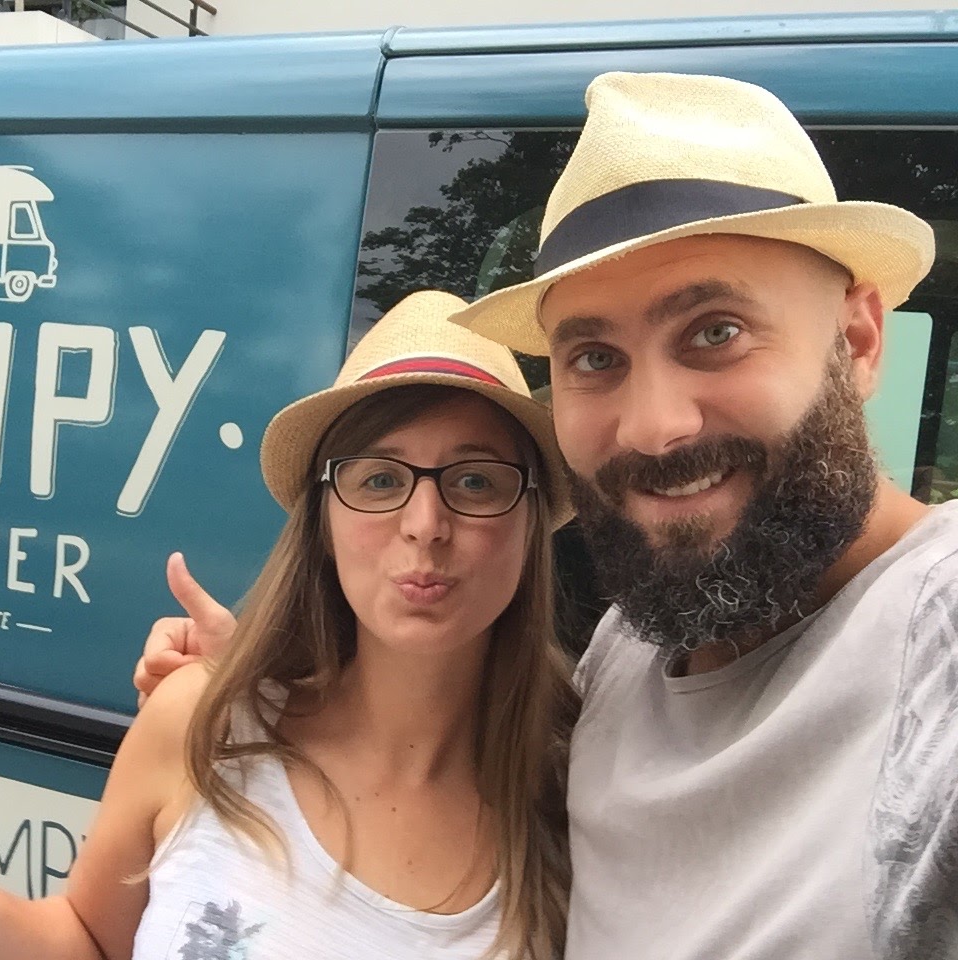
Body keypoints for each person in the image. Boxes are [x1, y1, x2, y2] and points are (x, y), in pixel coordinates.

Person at [135, 72, 958, 960]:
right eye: (596, 357)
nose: (652, 427)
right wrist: (279, 685)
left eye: (715, 332)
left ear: (858, 341)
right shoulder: (634, 652)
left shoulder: (936, 652)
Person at [0, 290, 580, 960]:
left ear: (531, 521)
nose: (426, 524)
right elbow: (90, 940)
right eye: (379, 479)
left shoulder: (579, 795)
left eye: (476, 482)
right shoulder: (204, 722)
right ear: (324, 523)